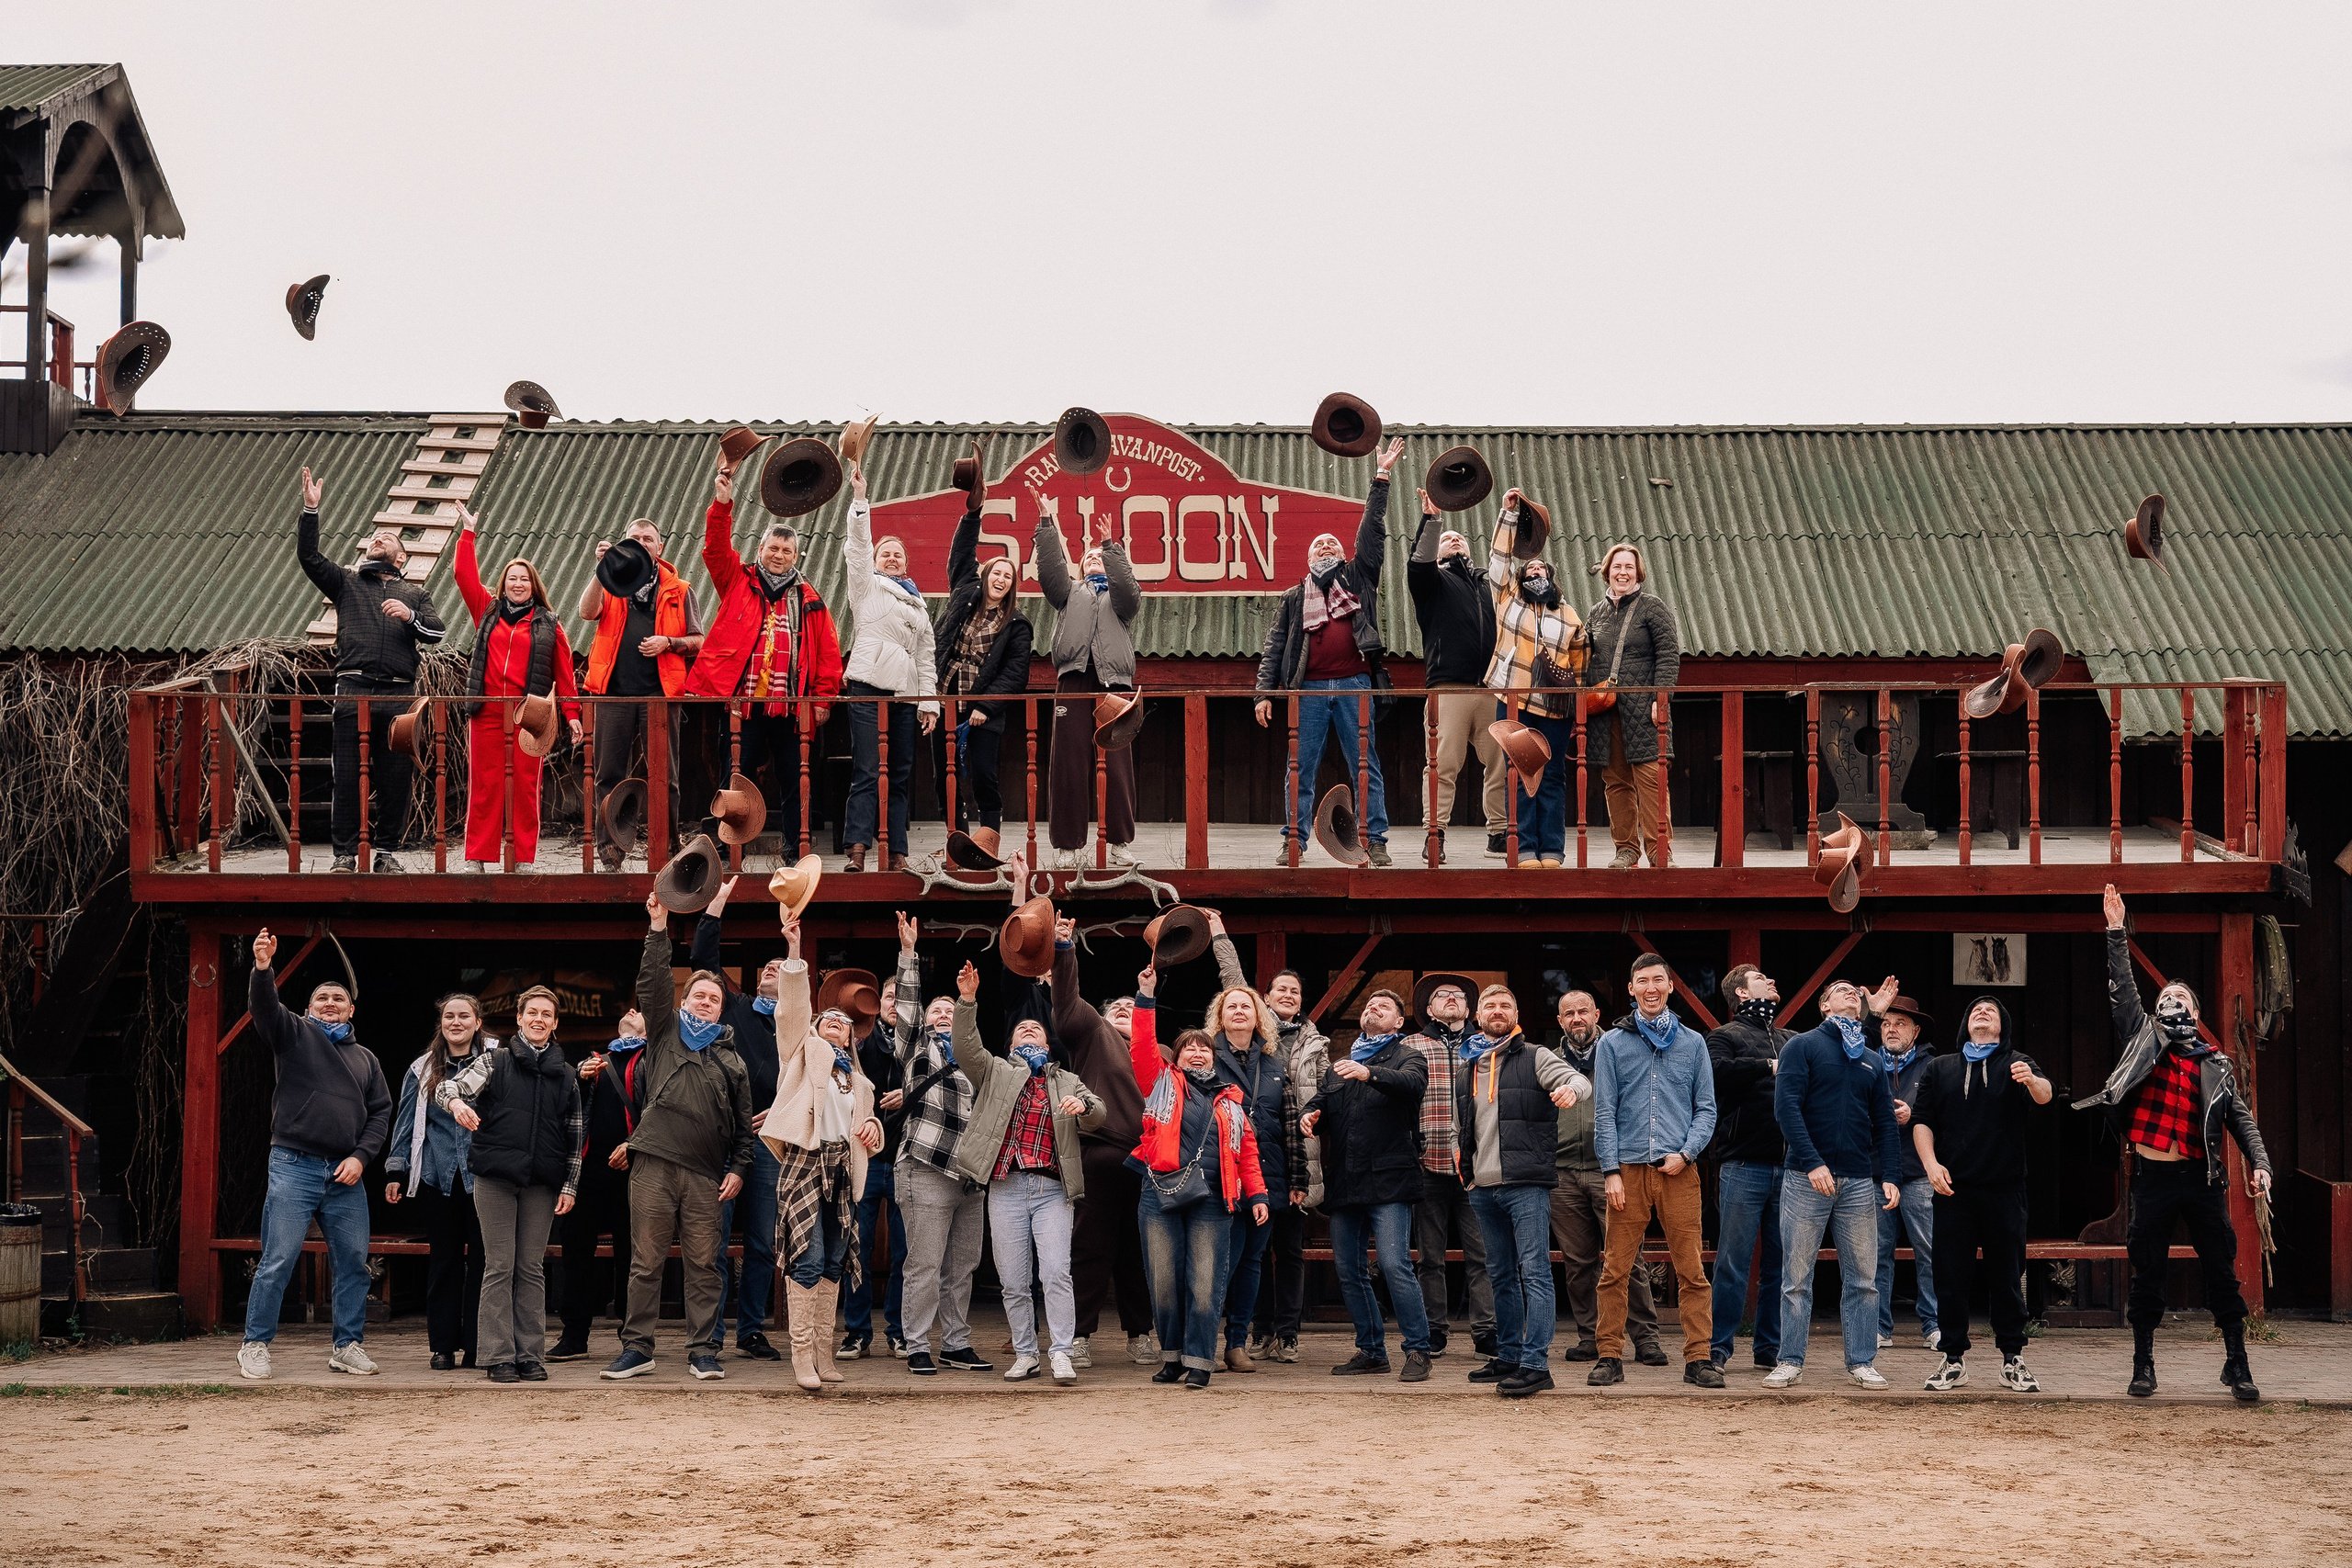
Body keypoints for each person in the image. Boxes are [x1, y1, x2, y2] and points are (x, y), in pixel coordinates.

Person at [2076, 885, 2274, 1402]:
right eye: (2165, 996)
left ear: (2196, 1009)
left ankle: (2238, 1363)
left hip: (2201, 1179)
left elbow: (2242, 1121)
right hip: (2153, 1177)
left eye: (2180, 997)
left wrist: (2260, 1163)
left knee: (2220, 1273)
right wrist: (2116, 931)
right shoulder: (2142, 1036)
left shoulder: (2215, 1063)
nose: (2170, 1001)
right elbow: (2123, 989)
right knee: (2149, 1274)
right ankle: (2143, 1362)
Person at [601, 893, 758, 1382]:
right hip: (652, 1164)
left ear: (721, 1009)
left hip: (706, 1175)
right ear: (684, 999)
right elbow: (650, 982)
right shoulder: (663, 1032)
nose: (705, 1003)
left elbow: (742, 1129)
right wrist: (657, 926)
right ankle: (638, 1348)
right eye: (697, 996)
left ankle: (704, 1350)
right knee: (645, 1262)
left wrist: (737, 1170)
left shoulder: (733, 1061)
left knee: (704, 1267)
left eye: (713, 998)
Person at [235, 927, 391, 1380]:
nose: (329, 1003)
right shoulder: (294, 1034)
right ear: (307, 1008)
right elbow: (264, 1009)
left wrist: (362, 1157)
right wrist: (263, 968)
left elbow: (381, 1113)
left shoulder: (366, 1059)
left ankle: (347, 1345)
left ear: (351, 1009)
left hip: (346, 1173)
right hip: (294, 1164)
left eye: (338, 999)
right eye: (321, 997)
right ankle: (256, 1344)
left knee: (354, 1265)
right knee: (278, 1258)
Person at [944, 957, 1106, 1383]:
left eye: (1036, 1028)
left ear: (1049, 1045)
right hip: (1007, 1187)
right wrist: (966, 1001)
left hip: (1053, 1189)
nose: (1029, 1028)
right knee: (1014, 1280)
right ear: (1011, 1043)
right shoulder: (995, 1070)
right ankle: (1025, 1353)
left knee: (1055, 1274)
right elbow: (966, 1049)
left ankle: (1062, 1353)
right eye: (1021, 1029)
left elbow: (1099, 1114)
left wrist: (1084, 1106)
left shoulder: (1067, 1080)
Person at [1252, 437, 1404, 867]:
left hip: (1356, 684)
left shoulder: (1357, 579)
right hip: (1309, 691)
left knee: (1365, 765)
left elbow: (1371, 532)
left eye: (1332, 544)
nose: (1325, 547)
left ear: (1343, 554)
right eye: (1318, 545)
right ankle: (1294, 841)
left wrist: (1382, 476)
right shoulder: (1294, 596)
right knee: (1299, 768)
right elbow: (1274, 646)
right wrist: (1264, 692)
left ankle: (1375, 840)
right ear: (1307, 556)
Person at [687, 454, 842, 860]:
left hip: (791, 708)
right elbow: (715, 550)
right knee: (733, 778)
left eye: (786, 551)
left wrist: (822, 699)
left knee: (796, 780)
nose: (779, 555)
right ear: (760, 548)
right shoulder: (737, 580)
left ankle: (794, 850)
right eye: (773, 548)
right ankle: (725, 850)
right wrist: (723, 503)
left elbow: (828, 655)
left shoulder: (810, 599)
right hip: (745, 707)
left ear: (796, 557)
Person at [294, 467, 447, 873]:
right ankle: (344, 856)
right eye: (375, 537)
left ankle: (386, 854)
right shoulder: (346, 583)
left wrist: (410, 616)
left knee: (396, 777)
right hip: (353, 691)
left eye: (388, 539)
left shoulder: (414, 592)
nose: (378, 538)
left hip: (399, 696)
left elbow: (438, 633)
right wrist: (311, 510)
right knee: (346, 776)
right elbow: (308, 557)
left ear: (401, 558)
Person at [759, 911, 887, 1391]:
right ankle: (801, 1358)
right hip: (806, 1164)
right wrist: (795, 955)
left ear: (852, 1036)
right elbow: (791, 1010)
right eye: (827, 1018)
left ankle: (824, 1354)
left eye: (842, 1022)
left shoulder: (860, 1081)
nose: (835, 1022)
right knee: (808, 1261)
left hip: (843, 1168)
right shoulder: (802, 1052)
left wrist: (873, 1126)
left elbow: (863, 1123)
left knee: (834, 1262)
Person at [1761, 976, 1905, 1391]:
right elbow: (1786, 1109)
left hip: (1859, 1180)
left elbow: (1884, 1122)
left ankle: (1861, 1361)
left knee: (1863, 1276)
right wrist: (1812, 1163)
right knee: (1796, 1277)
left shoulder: (1871, 1059)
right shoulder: (1802, 1046)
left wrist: (1891, 1175)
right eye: (1840, 989)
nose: (1850, 993)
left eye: (1854, 993)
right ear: (1824, 1006)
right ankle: (1789, 1360)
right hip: (1807, 1178)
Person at [1128, 971, 1269, 1388]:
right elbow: (1140, 1046)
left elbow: (1248, 1153)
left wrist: (1257, 1194)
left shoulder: (1232, 1101)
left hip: (1213, 1200)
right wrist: (1146, 996)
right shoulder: (1159, 1083)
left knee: (1206, 1283)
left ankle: (1200, 1363)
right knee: (1164, 1281)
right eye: (1187, 1049)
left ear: (1213, 1058)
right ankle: (1172, 1359)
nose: (1195, 1054)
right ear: (1176, 1057)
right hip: (1159, 1193)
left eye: (1203, 1049)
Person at [437, 986, 583, 1382]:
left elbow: (574, 1136)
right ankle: (498, 1356)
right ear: (519, 1019)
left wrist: (569, 1186)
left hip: (542, 1183)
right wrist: (458, 1104)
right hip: (496, 1179)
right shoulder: (494, 1061)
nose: (539, 1019)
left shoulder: (567, 1074)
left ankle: (530, 1355)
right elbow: (447, 1088)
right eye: (532, 1012)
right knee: (499, 1266)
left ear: (555, 1025)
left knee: (531, 1268)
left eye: (547, 1015)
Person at [1591, 953, 1723, 1388]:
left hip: (1678, 1171)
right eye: (1642, 981)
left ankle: (1698, 1359)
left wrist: (1687, 1154)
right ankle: (1609, 1355)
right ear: (1631, 989)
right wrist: (1610, 1170)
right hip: (1626, 1169)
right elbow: (1604, 1112)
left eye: (1658, 980)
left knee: (1692, 1270)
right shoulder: (1611, 1043)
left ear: (1670, 987)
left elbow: (1706, 1109)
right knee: (1615, 1269)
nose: (1650, 988)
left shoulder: (1693, 1043)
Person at [1455, 985, 1589, 1397]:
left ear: (1516, 1014)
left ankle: (1536, 1365)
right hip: (1483, 1187)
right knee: (1500, 1275)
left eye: (1505, 1005)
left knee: (1534, 1273)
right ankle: (1510, 1355)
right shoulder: (1467, 1067)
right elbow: (1469, 1130)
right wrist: (1470, 1174)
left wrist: (1570, 1090)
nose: (1498, 1011)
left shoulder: (1535, 1056)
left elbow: (1576, 1079)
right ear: (1479, 1017)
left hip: (1526, 1183)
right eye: (1490, 1006)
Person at [1914, 994, 2051, 1393]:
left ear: (2003, 1025)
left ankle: (2013, 1358)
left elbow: (2044, 1096)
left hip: (2004, 1190)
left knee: (2007, 1275)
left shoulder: (2017, 1063)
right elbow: (1922, 1121)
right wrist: (1930, 1165)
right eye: (1975, 1009)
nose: (1983, 1012)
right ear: (1966, 1024)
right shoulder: (1940, 1068)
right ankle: (1952, 1359)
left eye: (1991, 1010)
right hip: (1952, 1189)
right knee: (1950, 1276)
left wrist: (2032, 1079)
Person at [1302, 988, 1431, 1381]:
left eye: (1384, 1006)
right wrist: (1310, 1116)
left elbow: (1411, 1085)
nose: (1372, 1008)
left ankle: (1418, 1350)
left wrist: (1370, 1072)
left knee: (1393, 1265)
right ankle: (1372, 1351)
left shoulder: (1409, 1056)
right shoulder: (1338, 1067)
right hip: (1346, 1182)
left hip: (1390, 1180)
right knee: (1348, 1271)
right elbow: (1322, 1104)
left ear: (1398, 1022)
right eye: (1369, 1004)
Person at [684, 875, 788, 1361]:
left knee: (764, 1245)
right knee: (716, 1239)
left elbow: (810, 1082)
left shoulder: (797, 1024)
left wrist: (781, 1111)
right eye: (767, 965)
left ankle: (751, 1330)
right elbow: (703, 963)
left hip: (770, 1144)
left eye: (780, 966)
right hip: (723, 1142)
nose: (772, 968)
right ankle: (714, 1335)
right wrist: (717, 906)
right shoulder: (735, 1009)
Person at [1047, 912, 1157, 1369]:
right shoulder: (1094, 1036)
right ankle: (1079, 1335)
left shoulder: (1162, 1053)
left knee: (1139, 1252)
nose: (1122, 1014)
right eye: (1116, 1009)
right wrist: (1064, 950)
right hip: (1101, 1154)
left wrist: (1146, 996)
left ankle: (1141, 1334)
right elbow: (1067, 1002)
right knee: (1090, 1248)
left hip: (1151, 1162)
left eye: (1130, 1010)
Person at [889, 905, 991, 1375]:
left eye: (952, 1009)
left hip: (971, 1175)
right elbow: (908, 1010)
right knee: (925, 1265)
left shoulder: (980, 1057)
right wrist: (909, 954)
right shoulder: (916, 1048)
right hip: (926, 1167)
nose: (944, 1013)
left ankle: (955, 1342)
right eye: (938, 1009)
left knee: (962, 1267)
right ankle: (915, 1344)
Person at [452, 508, 583, 872]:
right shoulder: (487, 611)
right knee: (485, 786)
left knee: (526, 788)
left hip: (531, 717)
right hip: (488, 712)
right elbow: (463, 575)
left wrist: (572, 716)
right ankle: (477, 857)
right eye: (512, 578)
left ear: (533, 584)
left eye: (524, 579)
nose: (518, 583)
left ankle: (524, 857)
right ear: (503, 583)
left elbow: (565, 675)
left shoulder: (549, 623)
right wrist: (468, 532)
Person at [578, 517, 705, 870]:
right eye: (635, 538)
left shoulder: (680, 589)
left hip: (660, 697)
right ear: (625, 544)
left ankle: (665, 848)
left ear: (660, 547)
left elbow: (698, 640)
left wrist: (670, 642)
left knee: (667, 776)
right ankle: (611, 851)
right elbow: (586, 612)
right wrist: (600, 569)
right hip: (614, 695)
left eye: (649, 538)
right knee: (608, 774)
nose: (643, 542)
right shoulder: (611, 581)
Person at [1550, 989, 1664, 1366]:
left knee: (1627, 1258)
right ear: (1560, 1021)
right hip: (1563, 1171)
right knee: (1578, 1262)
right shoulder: (1547, 1062)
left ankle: (1645, 1338)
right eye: (1569, 1013)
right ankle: (1590, 1337)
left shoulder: (1619, 1051)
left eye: (1584, 1011)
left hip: (1611, 1170)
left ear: (1597, 1014)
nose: (1577, 1018)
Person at [1199, 956, 1300, 1374]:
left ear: (1258, 1017)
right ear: (1219, 1018)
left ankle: (1237, 1342)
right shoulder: (1203, 1059)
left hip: (1267, 1177)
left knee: (1253, 1262)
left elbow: (1290, 1126)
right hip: (1219, 1176)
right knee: (1218, 1262)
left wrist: (1297, 1179)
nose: (1239, 1012)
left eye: (1246, 1006)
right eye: (1231, 1007)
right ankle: (1203, 1342)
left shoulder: (1276, 1065)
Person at [841, 464, 941, 872]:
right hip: (867, 686)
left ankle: (897, 853)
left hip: (906, 693)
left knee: (899, 774)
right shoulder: (866, 588)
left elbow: (926, 657)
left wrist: (930, 702)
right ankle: (858, 849)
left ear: (906, 563)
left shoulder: (919, 605)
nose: (892, 557)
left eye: (898, 554)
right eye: (887, 553)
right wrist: (861, 502)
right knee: (867, 769)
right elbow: (858, 549)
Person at [1034, 493, 1140, 868]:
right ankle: (1067, 845)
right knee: (1068, 762)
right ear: (1079, 569)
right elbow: (1050, 573)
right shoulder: (1069, 593)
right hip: (1074, 681)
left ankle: (1120, 843)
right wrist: (1047, 523)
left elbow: (1128, 587)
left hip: (1115, 685)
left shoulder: (1120, 599)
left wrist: (1111, 547)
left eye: (1099, 557)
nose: (1093, 559)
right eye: (1088, 557)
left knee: (1118, 764)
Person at [384, 995, 491, 1371]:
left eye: (464, 1016)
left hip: (485, 1178)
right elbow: (406, 1121)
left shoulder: (497, 1058)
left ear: (478, 1022)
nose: (456, 1022)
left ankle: (480, 1346)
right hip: (436, 1176)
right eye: (449, 1016)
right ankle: (443, 1346)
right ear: (441, 1023)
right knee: (443, 1262)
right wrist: (396, 1171)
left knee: (483, 1262)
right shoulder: (422, 1068)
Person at [1483, 490, 1586, 867]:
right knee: (1518, 772)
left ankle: (1552, 851)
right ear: (1522, 576)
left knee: (1554, 776)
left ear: (1552, 577)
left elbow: (1581, 666)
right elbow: (1499, 561)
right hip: (1515, 701)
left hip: (1555, 707)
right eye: (1531, 569)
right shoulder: (1508, 599)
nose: (1536, 570)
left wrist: (1579, 711)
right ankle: (1525, 847)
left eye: (1543, 568)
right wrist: (1509, 515)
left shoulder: (1570, 615)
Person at [1704, 963, 1790, 1372]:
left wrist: (1868, 1014)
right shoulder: (1723, 1036)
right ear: (1741, 993)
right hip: (1742, 1163)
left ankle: (1768, 1349)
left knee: (1779, 1265)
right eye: (1761, 978)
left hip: (1789, 1167)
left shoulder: (1790, 1038)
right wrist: (1767, 1067)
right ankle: (1718, 1347)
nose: (1770, 980)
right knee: (1733, 1263)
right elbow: (1717, 1074)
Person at [933, 489, 1034, 837]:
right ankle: (956, 839)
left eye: (1008, 576)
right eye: (996, 572)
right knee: (944, 774)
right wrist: (973, 513)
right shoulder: (964, 594)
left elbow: (1015, 674)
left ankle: (989, 838)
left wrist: (986, 706)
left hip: (982, 712)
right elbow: (961, 555)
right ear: (987, 574)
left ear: (1011, 585)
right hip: (946, 699)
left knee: (983, 775)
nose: (1001, 579)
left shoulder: (1017, 625)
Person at [1408, 502, 1505, 859]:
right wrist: (1433, 521)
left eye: (1460, 538)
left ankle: (1499, 833)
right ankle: (1435, 833)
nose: (1455, 541)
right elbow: (1418, 561)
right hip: (1448, 687)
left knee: (1500, 763)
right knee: (1442, 764)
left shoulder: (1487, 585)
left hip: (1493, 687)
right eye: (1448, 539)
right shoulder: (1431, 581)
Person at [1407, 976, 1494, 1358]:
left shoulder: (1487, 1045)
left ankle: (1487, 1331)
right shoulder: (1410, 1045)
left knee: (1484, 1256)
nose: (1451, 1000)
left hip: (1476, 1166)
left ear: (1469, 1009)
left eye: (1458, 996)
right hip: (1428, 1164)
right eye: (1442, 996)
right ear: (1429, 1009)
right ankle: (1434, 1331)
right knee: (1430, 1258)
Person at [1580, 541, 1679, 870]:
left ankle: (1659, 852)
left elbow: (1668, 655)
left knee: (1652, 780)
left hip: (1645, 710)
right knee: (1616, 782)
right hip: (1606, 713)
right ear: (1607, 572)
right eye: (1617, 567)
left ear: (1639, 573)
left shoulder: (1653, 607)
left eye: (1629, 568)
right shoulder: (1596, 612)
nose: (1622, 573)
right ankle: (1626, 850)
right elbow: (1584, 657)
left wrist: (1660, 698)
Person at [549, 1011, 641, 1361]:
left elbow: (658, 1110)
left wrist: (635, 1144)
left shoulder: (654, 1059)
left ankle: (632, 1338)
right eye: (629, 1008)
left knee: (631, 1260)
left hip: (635, 1174)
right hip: (585, 1174)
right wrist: (580, 1079)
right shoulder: (593, 1061)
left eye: (640, 1009)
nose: (632, 1011)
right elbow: (565, 1111)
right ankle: (574, 1336)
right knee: (575, 1256)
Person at [1250, 967, 1329, 1362]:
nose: (1288, 995)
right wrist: (1218, 936)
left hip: (1299, 1151)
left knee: (1290, 1251)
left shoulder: (1315, 1042)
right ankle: (1260, 1329)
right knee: (1257, 1251)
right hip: (1257, 1149)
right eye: (1281, 989)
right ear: (1265, 997)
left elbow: (1327, 1093)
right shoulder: (1253, 1036)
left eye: (1295, 991)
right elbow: (1232, 982)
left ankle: (1288, 1333)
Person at [841, 979, 910, 1360]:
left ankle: (898, 1332)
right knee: (858, 1249)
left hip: (905, 1160)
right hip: (864, 1157)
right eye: (889, 996)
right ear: (878, 1003)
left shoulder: (921, 1043)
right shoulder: (860, 1042)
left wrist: (909, 1093)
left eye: (903, 997)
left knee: (903, 1253)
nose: (895, 1003)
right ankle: (857, 1332)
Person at [1876, 995, 1941, 1353]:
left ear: (1915, 1031)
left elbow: (1942, 1115)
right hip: (1876, 1172)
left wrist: (1911, 1115)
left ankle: (1933, 1325)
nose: (1891, 1029)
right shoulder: (1866, 1063)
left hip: (1918, 1172)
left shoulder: (1933, 1066)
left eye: (1900, 1024)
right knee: (1877, 1253)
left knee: (1928, 1250)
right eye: (1886, 1023)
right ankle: (1879, 1328)